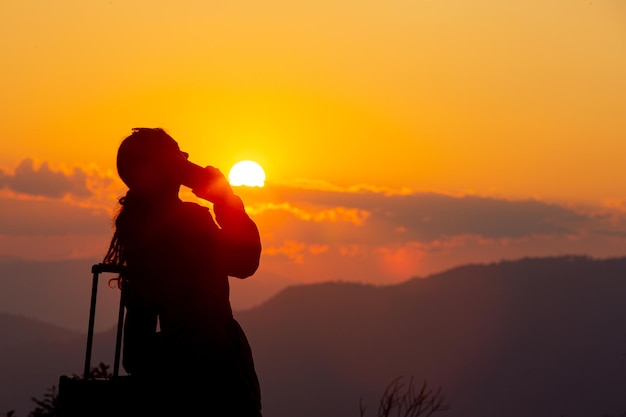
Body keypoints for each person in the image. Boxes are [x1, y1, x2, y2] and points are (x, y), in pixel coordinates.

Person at [103, 127, 263, 416]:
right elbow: (245, 262)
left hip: (169, 373)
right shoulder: (188, 221)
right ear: (168, 167)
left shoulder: (138, 229)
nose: (187, 157)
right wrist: (225, 198)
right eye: (179, 153)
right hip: (217, 369)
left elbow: (135, 350)